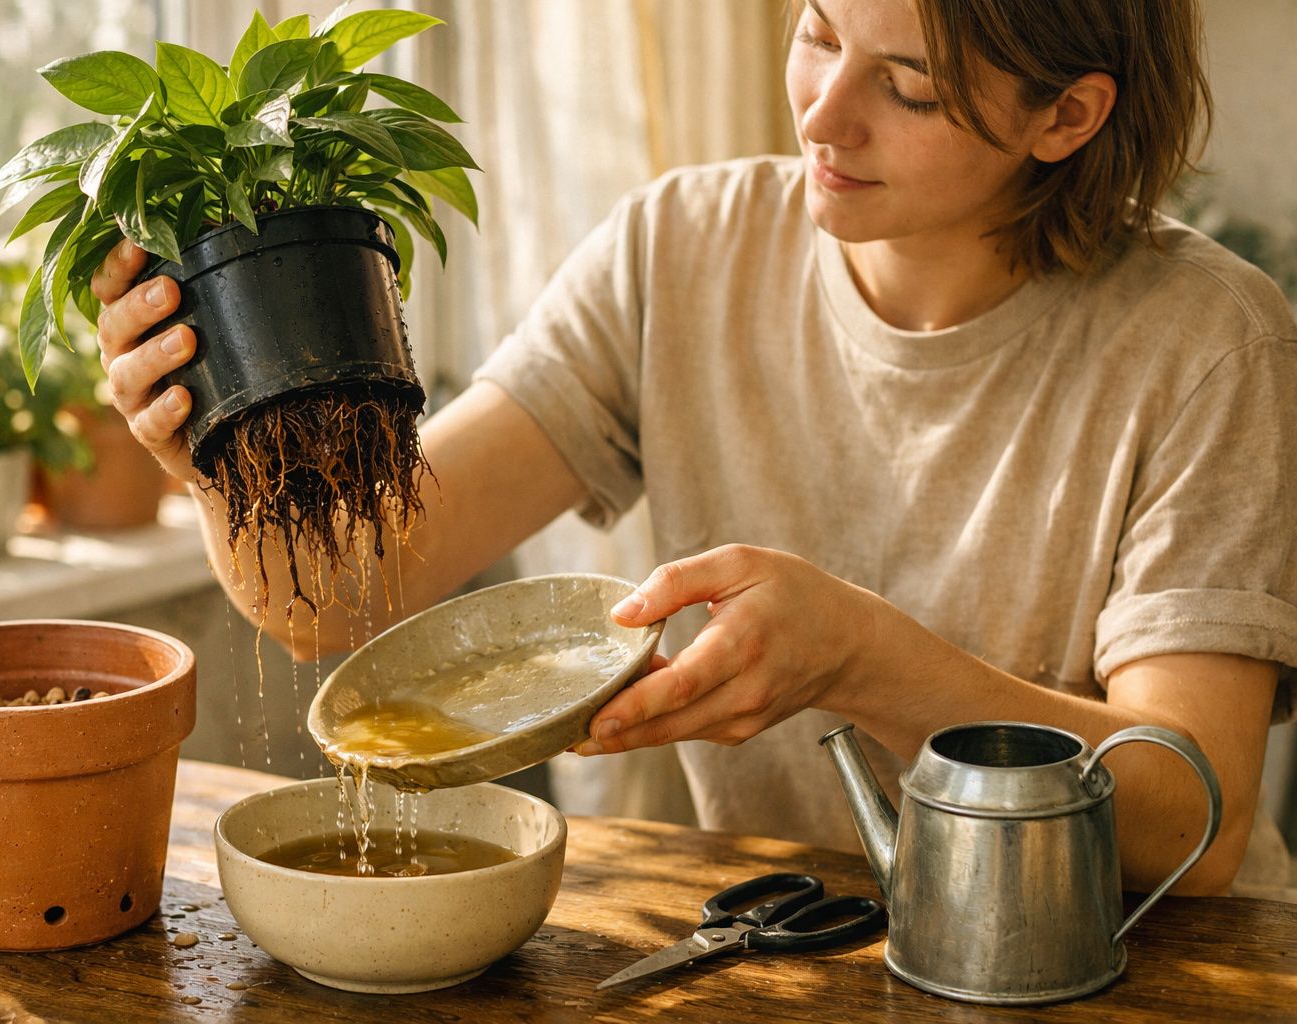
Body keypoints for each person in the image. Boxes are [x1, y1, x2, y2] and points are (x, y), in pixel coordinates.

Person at [92, 0, 1296, 895]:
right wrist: (221, 459)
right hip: (803, 943)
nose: (824, 114)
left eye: (910, 87)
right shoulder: (679, 249)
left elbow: (1187, 822)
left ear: (1068, 114)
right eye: (818, 32)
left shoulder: (1210, 342)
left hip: (1135, 965)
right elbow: (344, 595)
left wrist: (863, 658)